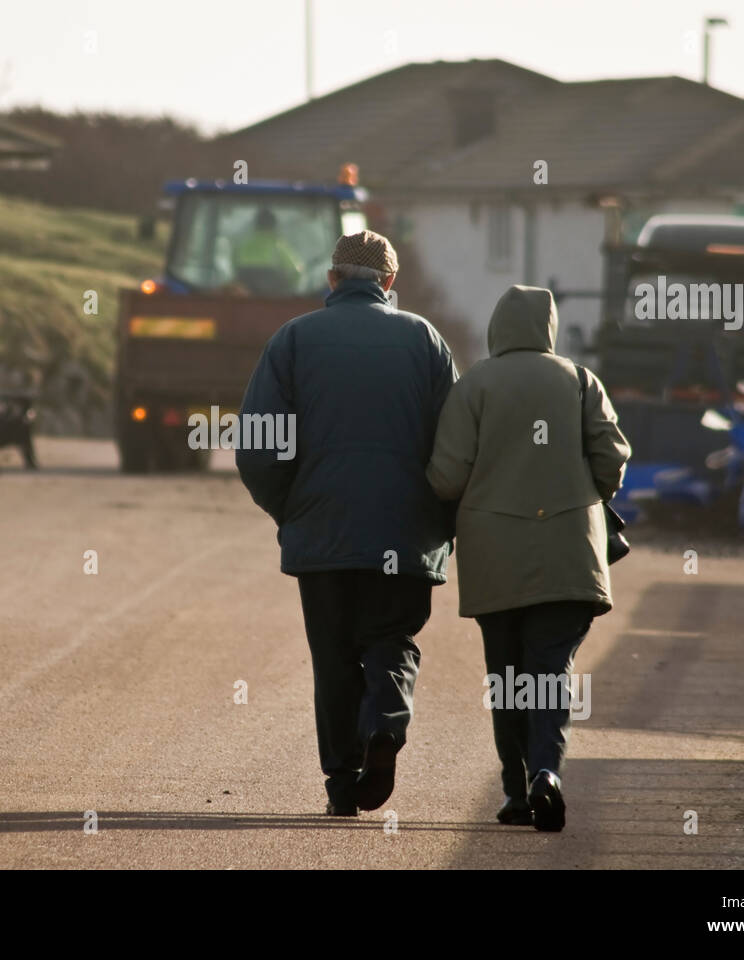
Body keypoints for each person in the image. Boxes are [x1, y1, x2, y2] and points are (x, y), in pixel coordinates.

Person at [236, 230, 458, 816]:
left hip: (324, 535)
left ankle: (341, 784)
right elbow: (456, 445)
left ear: (332, 279)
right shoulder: (425, 340)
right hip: (406, 533)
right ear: (389, 282)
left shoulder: (293, 340)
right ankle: (385, 723)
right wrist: (443, 516)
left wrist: (291, 509)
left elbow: (257, 446)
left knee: (332, 656)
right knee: (391, 638)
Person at [426, 285, 630, 832]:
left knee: (507, 674)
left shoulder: (473, 387)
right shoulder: (581, 381)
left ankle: (516, 793)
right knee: (549, 668)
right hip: (570, 554)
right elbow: (612, 457)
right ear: (550, 328)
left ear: (497, 328)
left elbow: (446, 477)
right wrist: (587, 490)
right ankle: (548, 771)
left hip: (495, 557)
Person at [231, 207, 304, 295]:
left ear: (256, 225)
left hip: (245, 297)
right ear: (274, 225)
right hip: (274, 298)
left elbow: (233, 269)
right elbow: (295, 271)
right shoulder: (278, 245)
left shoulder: (244, 244)